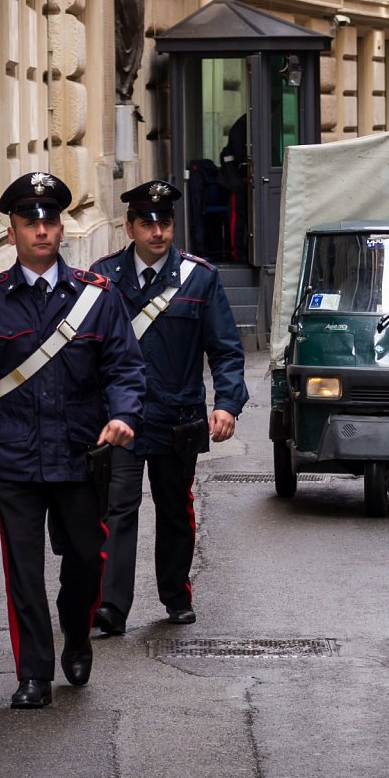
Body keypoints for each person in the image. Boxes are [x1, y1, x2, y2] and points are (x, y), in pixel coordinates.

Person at [0, 171, 145, 710]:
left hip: (81, 454)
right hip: (13, 457)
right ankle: (33, 673)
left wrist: (123, 416)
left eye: (50, 220)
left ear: (61, 231)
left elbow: (125, 368)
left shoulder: (96, 298)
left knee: (86, 558)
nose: (41, 230)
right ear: (11, 233)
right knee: (23, 569)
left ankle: (76, 634)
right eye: (29, 222)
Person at [90, 180, 248, 633]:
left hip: (177, 418)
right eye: (148, 224)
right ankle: (112, 608)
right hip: (120, 418)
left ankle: (175, 595)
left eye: (165, 223)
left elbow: (225, 349)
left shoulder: (200, 277)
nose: (157, 232)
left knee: (174, 508)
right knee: (117, 508)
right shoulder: (104, 279)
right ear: (130, 227)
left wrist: (227, 404)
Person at [218, 113, 248, 261]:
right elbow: (240, 156)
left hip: (242, 180)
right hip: (236, 181)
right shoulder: (240, 128)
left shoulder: (243, 126)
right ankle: (236, 252)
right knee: (237, 216)